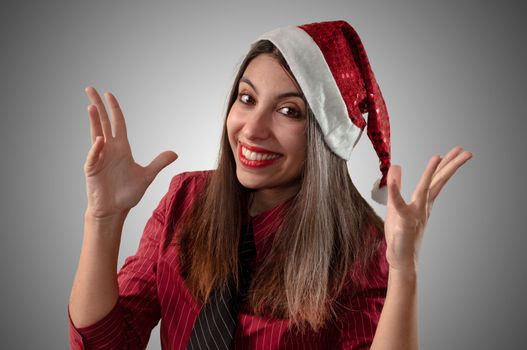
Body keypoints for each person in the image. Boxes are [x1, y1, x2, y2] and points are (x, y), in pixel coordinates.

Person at [68, 20, 472, 349]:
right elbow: (107, 343)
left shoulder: (362, 250)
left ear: (326, 136)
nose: (253, 129)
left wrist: (404, 271)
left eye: (288, 110)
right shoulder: (185, 197)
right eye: (246, 99)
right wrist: (104, 219)